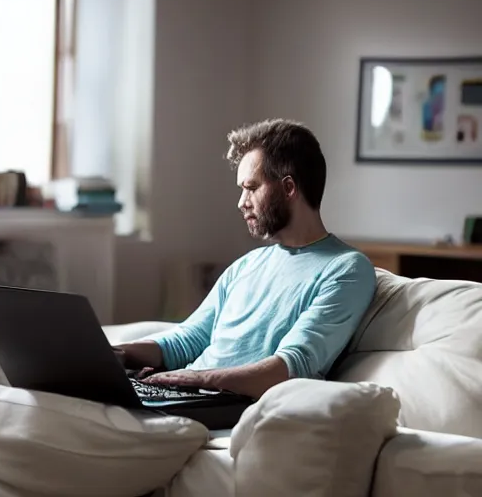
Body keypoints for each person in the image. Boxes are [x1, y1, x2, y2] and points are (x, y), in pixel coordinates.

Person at [115, 119, 376, 399]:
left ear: (288, 188)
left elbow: (289, 368)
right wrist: (116, 354)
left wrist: (197, 379)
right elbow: (185, 342)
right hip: (184, 395)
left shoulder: (346, 268)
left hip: (229, 403)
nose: (242, 202)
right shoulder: (248, 264)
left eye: (251, 187)